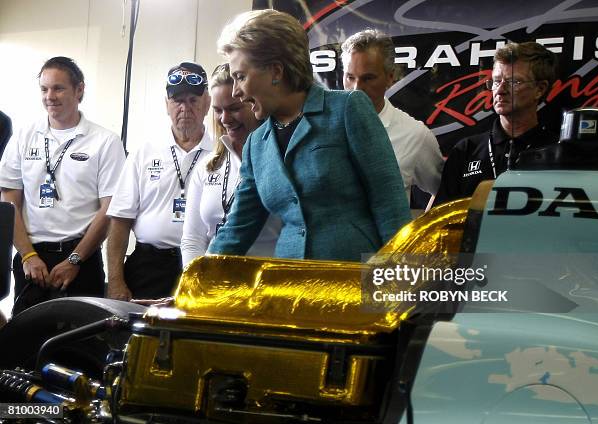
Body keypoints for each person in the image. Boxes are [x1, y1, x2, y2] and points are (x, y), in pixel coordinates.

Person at [208, 9, 411, 262]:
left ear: (276, 71)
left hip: (356, 280)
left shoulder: (348, 109)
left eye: (240, 77)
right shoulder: (255, 145)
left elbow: (390, 205)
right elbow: (236, 229)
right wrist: (196, 279)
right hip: (291, 287)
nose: (236, 91)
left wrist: (400, 282)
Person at [0, 56, 125, 314]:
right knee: (25, 346)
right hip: (31, 260)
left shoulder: (105, 141)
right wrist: (27, 255)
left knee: (81, 347)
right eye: (44, 89)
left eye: (58, 88)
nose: (50, 96)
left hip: (81, 258)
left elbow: (110, 209)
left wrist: (75, 259)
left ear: (79, 90)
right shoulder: (24, 135)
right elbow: (9, 198)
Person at [106, 62, 213, 300]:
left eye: (193, 100)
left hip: (203, 266)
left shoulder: (221, 152)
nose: (185, 108)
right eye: (178, 101)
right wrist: (115, 281)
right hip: (149, 266)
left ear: (207, 103)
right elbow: (120, 221)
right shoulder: (144, 152)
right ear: (167, 104)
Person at [433, 41, 558, 206]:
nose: (500, 90)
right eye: (496, 81)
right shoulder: (466, 150)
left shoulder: (558, 151)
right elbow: (442, 217)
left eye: (514, 82)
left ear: (540, 89)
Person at [181, 63, 280, 266]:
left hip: (269, 283)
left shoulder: (280, 160)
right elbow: (193, 240)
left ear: (254, 104)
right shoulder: (207, 167)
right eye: (218, 110)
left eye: (234, 108)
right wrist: (191, 290)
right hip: (217, 282)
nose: (225, 119)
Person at [341, 29, 444, 206]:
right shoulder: (321, 125)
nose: (356, 88)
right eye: (350, 77)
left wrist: (420, 231)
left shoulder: (415, 135)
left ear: (390, 77)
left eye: (368, 78)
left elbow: (445, 193)